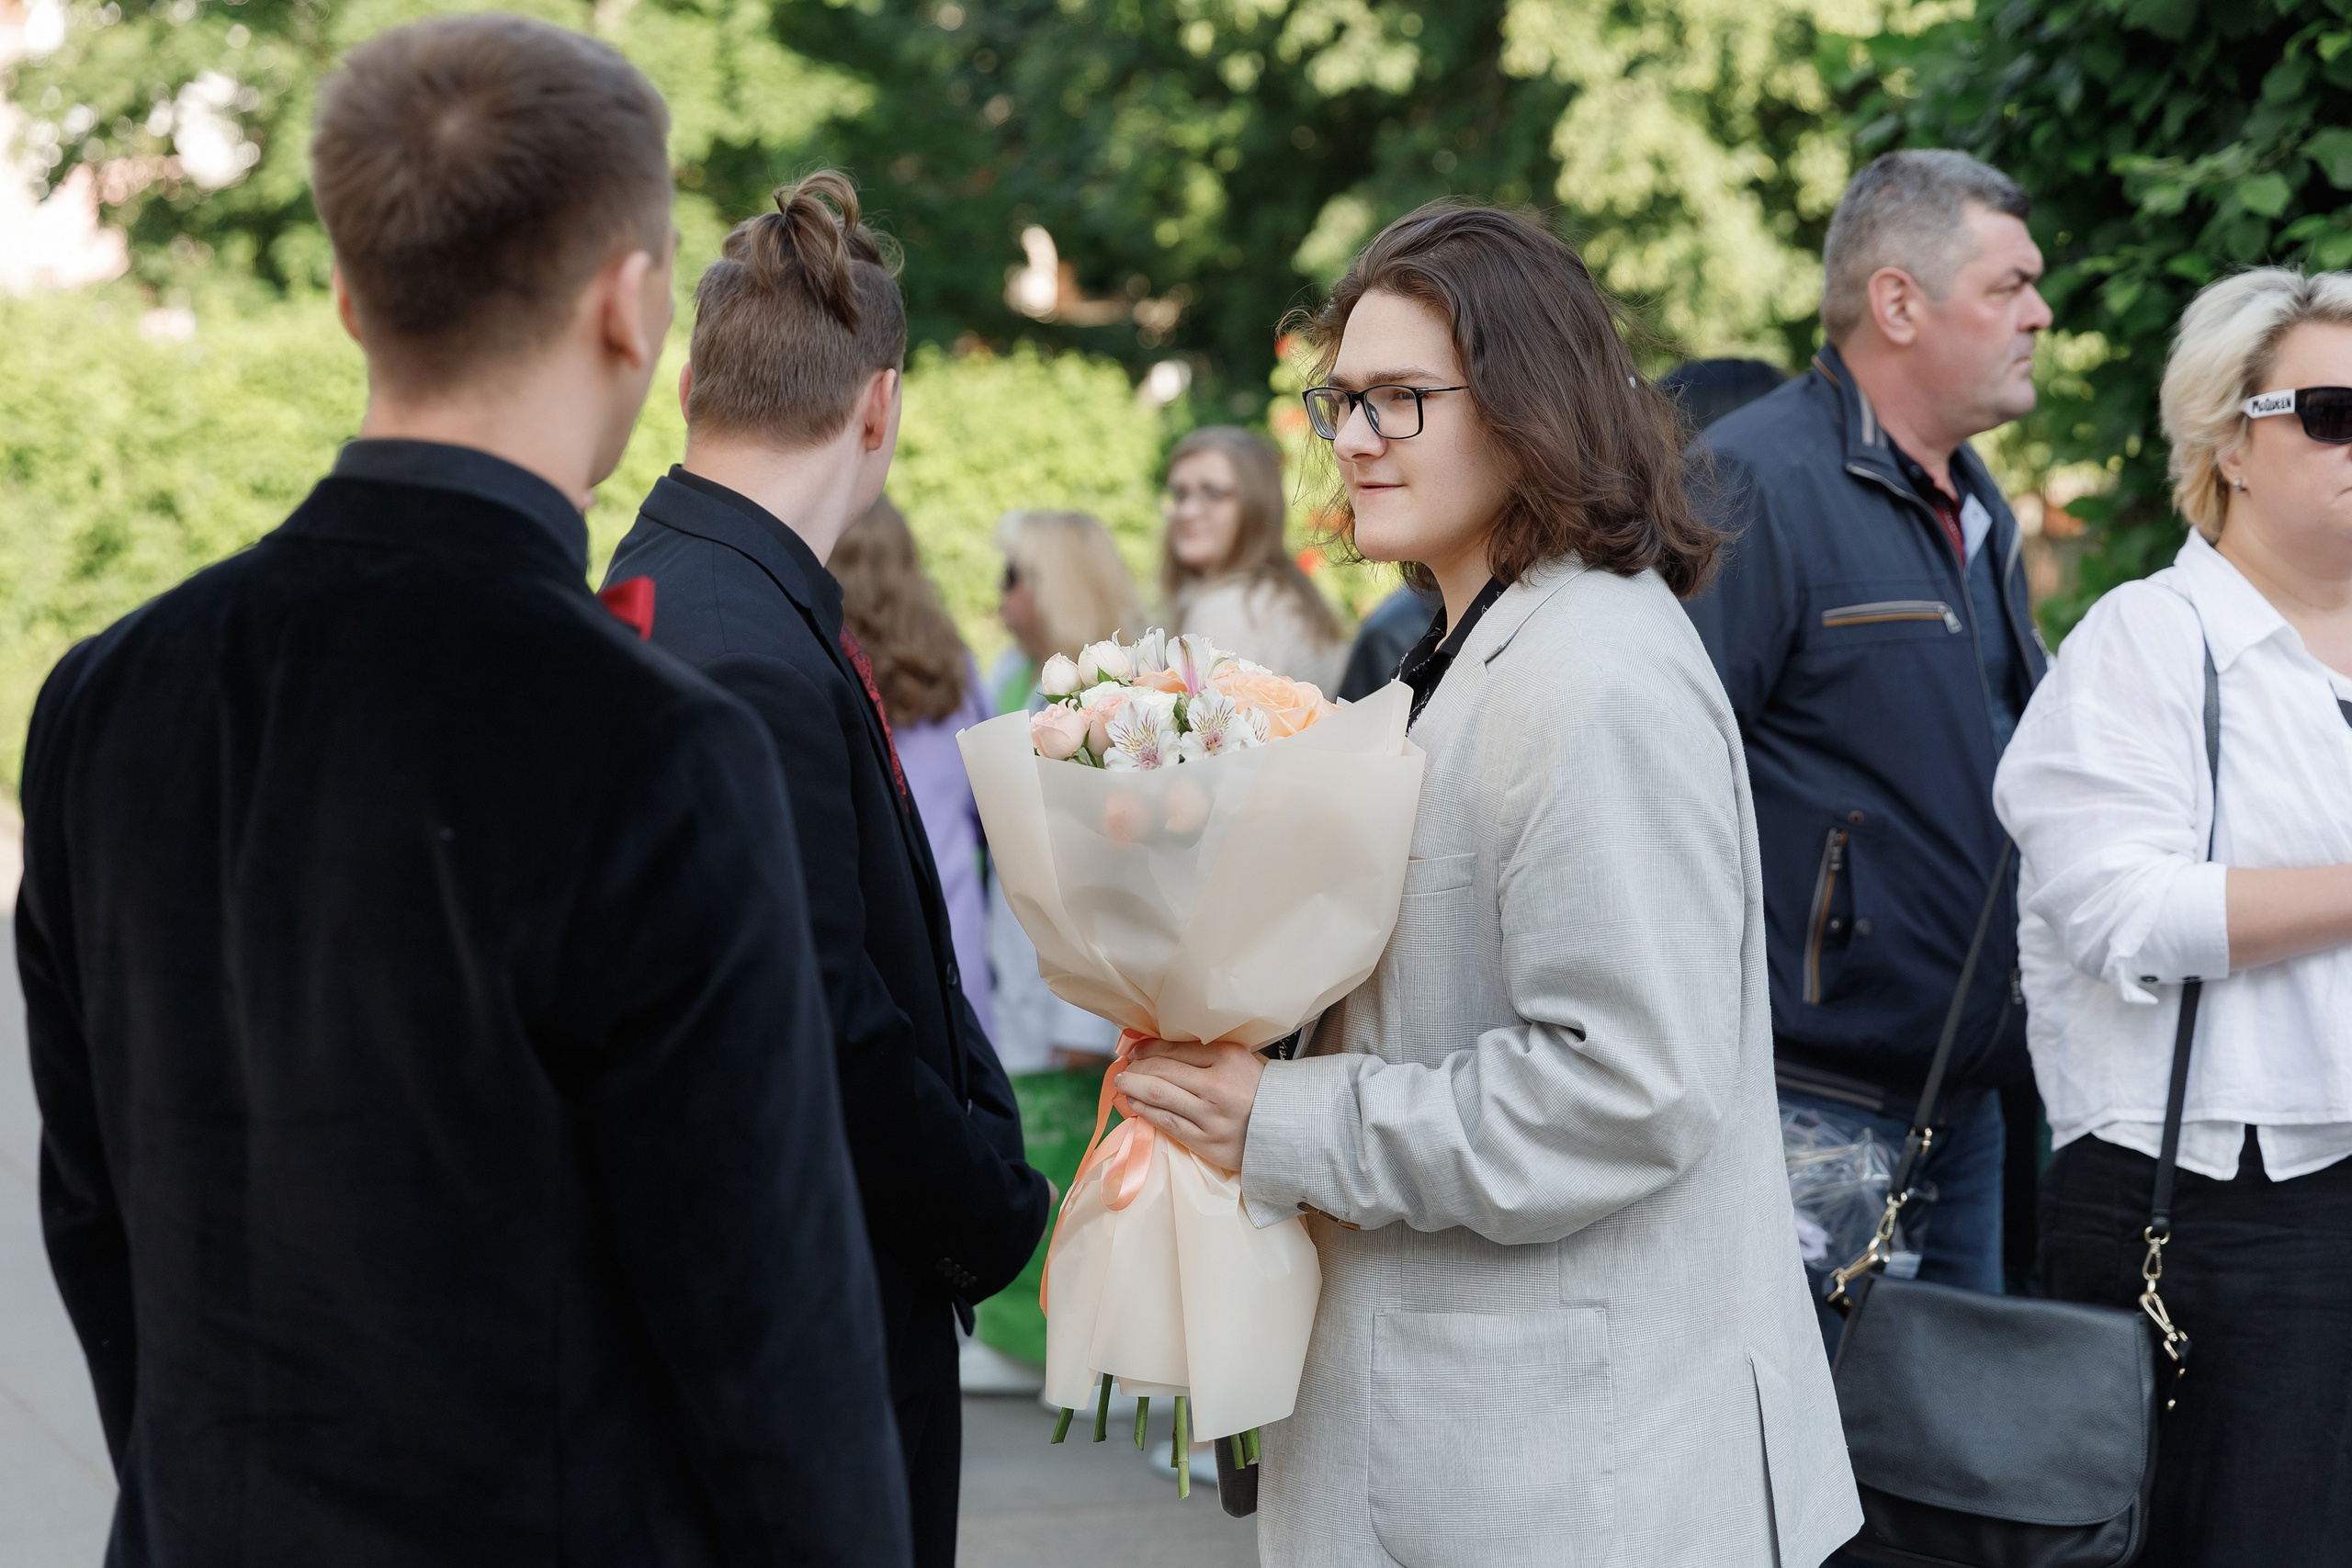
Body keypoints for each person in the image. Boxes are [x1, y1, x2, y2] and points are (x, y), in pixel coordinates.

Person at [16, 17, 907, 1565]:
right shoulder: (655, 744)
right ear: (633, 311)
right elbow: (772, 1344)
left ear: (351, 293)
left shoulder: (104, 694)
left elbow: (99, 1225)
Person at [1114, 200, 1860, 1564]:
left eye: (1400, 400)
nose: (1349, 441)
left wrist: (1283, 1113)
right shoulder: (1475, 640)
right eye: (1339, 398)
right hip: (1484, 1444)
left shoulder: (1591, 681)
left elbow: (1627, 1087)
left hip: (1572, 1469)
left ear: (1531, 402)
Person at [601, 172, 1049, 1568]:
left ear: (689, 382)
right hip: (808, 1331)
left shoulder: (672, 580)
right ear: (881, 405)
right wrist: (990, 1203)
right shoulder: (744, 635)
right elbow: (819, 1019)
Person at [1996, 266, 2352, 1567]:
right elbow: (2118, 908)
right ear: (2227, 441)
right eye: (2330, 410)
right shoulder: (2148, 642)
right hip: (2207, 1203)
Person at [1684, 150, 2053, 1334]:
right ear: (1898, 302)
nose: (2039, 315)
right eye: (2008, 287)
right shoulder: (1751, 481)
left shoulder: (1977, 502)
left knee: (1960, 1497)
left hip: (1973, 1103)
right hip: (1812, 1103)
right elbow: (1663, 790)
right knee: (1813, 1484)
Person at [968, 509, 1137, 1393]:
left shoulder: (1103, 703)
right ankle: (1036, 1344)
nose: (1002, 596)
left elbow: (1103, 869)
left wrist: (1082, 1011)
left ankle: (1057, 1349)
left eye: (1016, 575)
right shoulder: (1008, 682)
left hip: (1067, 985)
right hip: (1018, 969)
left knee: (1070, 1160)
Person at [831, 495, 994, 1043]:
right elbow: (992, 811)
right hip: (952, 945)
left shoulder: (816, 666)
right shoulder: (954, 668)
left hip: (861, 949)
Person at [1160, 424, 1347, 690]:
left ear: (1256, 505)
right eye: (1180, 494)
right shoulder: (1279, 593)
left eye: (1213, 493)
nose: (1187, 511)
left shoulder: (1232, 608)